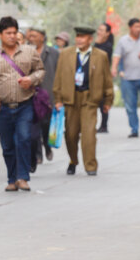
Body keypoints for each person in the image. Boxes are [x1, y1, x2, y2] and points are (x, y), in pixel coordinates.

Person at [0, 17, 44, 192]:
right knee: (7, 145)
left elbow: (40, 70)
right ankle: (12, 179)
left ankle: (23, 177)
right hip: (3, 107)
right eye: (8, 33)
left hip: (25, 105)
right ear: (0, 35)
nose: (12, 36)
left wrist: (31, 79)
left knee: (24, 139)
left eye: (14, 32)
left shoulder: (29, 52)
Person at [52, 26, 113, 176]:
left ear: (90, 39)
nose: (79, 39)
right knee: (71, 135)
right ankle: (73, 160)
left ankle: (91, 166)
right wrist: (58, 99)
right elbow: (58, 77)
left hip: (90, 99)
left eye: (83, 37)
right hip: (71, 98)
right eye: (77, 36)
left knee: (89, 134)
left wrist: (108, 100)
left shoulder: (101, 55)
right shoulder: (65, 54)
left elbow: (107, 79)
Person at [112, 18, 140, 137]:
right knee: (130, 106)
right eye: (136, 27)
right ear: (130, 27)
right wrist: (114, 68)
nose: (138, 29)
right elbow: (117, 56)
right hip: (127, 78)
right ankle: (134, 129)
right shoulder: (123, 41)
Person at [26, 28, 59, 168]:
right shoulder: (24, 52)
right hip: (31, 96)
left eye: (34, 36)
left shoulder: (54, 53)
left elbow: (59, 74)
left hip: (48, 97)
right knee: (34, 129)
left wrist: (58, 97)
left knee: (46, 125)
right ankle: (37, 155)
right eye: (29, 36)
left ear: (42, 37)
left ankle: (47, 145)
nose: (31, 38)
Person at [93, 23, 114, 133]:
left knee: (103, 102)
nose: (99, 32)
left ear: (107, 33)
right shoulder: (98, 44)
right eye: (99, 29)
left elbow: (97, 56)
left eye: (102, 30)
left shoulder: (108, 46)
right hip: (94, 76)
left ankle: (104, 125)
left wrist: (96, 43)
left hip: (102, 77)